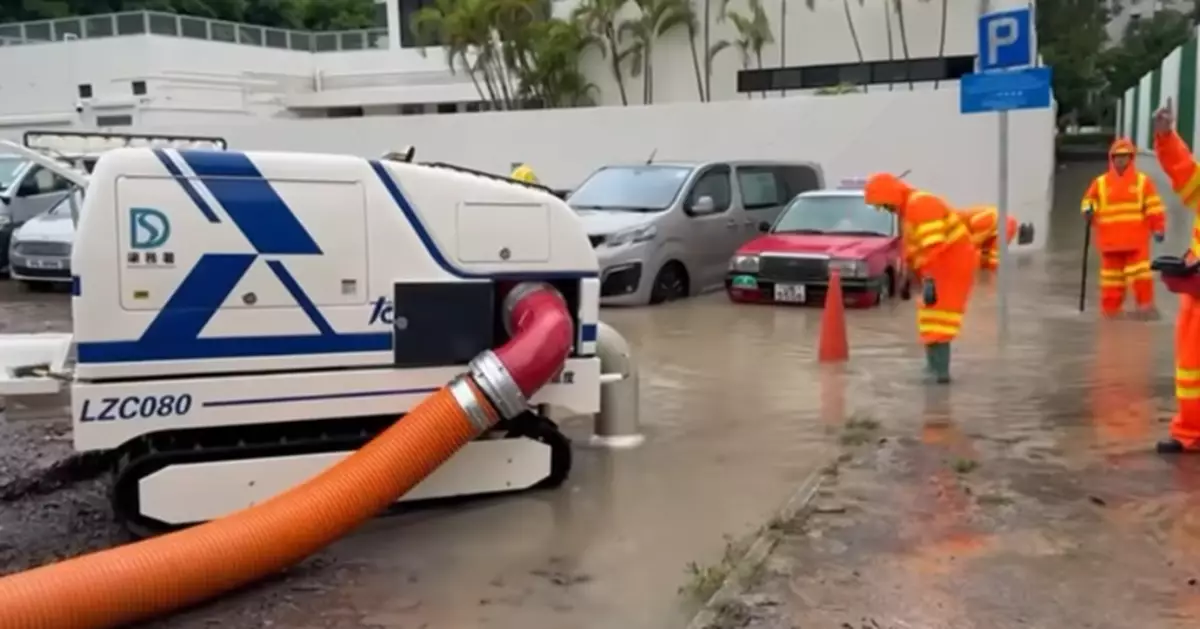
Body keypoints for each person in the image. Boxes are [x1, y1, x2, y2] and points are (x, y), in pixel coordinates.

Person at [864, 173, 979, 383]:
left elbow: (933, 248)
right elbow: (913, 248)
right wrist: (909, 276)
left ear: (892, 196)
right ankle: (933, 368)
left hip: (950, 267)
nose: (884, 210)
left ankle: (940, 373)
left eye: (883, 205)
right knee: (929, 316)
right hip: (937, 268)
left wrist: (929, 280)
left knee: (941, 318)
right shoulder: (908, 210)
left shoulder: (921, 204)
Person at [1151, 104, 1200, 454]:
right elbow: (1185, 173)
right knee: (1190, 369)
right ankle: (1190, 433)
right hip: (1195, 290)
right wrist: (1166, 137)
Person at [1080, 138, 1166, 319]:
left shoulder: (1143, 182)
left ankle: (1146, 310)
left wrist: (1158, 227)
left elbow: (1154, 207)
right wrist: (1088, 209)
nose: (1120, 160)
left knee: (1142, 279)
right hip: (1110, 244)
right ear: (1111, 158)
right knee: (1111, 285)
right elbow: (1089, 201)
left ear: (1131, 158)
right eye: (1117, 157)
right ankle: (1110, 316)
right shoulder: (1101, 183)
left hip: (1136, 243)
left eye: (1124, 156)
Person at [956, 205, 1019, 271]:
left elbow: (975, 242)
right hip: (995, 229)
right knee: (982, 258)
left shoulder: (976, 222)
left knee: (992, 261)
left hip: (1005, 226)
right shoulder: (967, 222)